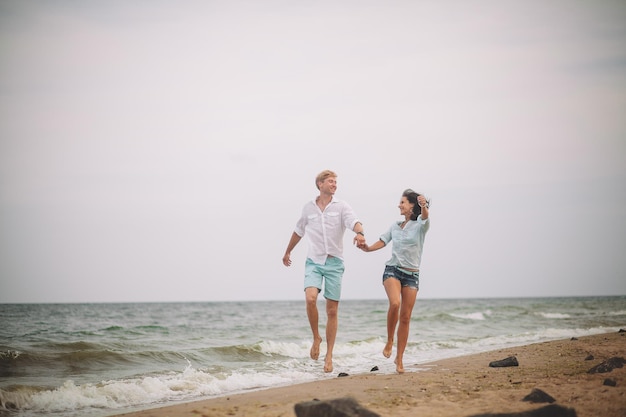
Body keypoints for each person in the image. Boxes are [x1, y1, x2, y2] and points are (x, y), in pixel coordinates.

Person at [282, 170, 366, 373]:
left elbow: (354, 220)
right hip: (314, 261)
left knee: (332, 311)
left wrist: (360, 233)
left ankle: (329, 355)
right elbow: (298, 231)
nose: (334, 184)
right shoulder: (308, 208)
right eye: (330, 181)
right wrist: (287, 252)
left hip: (334, 263)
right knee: (310, 299)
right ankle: (316, 337)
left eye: (336, 182)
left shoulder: (341, 206)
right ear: (320, 184)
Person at [358, 189, 430, 373]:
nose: (399, 205)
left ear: (411, 206)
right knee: (395, 303)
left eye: (403, 202)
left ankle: (399, 358)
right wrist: (367, 248)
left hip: (412, 275)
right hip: (393, 270)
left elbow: (425, 216)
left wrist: (424, 205)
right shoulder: (395, 226)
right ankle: (390, 340)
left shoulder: (421, 225)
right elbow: (382, 241)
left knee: (405, 318)